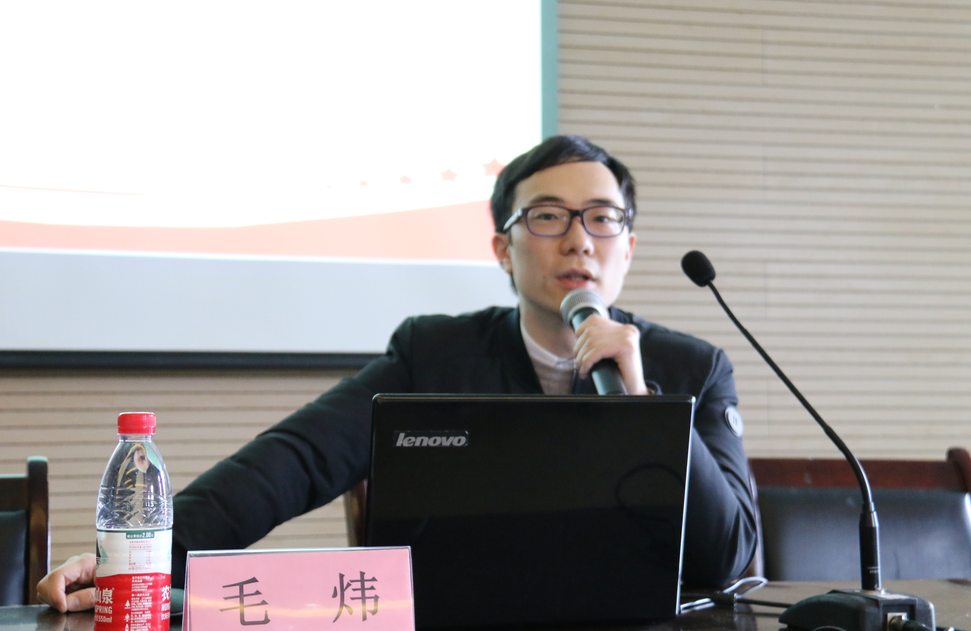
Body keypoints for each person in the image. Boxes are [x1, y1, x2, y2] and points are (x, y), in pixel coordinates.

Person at [38, 135, 758, 611]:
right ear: (502, 250)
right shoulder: (434, 352)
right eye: (546, 216)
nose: (578, 240)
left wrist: (641, 402)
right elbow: (296, 459)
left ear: (628, 247)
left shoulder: (691, 367)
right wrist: (143, 560)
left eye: (602, 218)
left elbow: (730, 558)